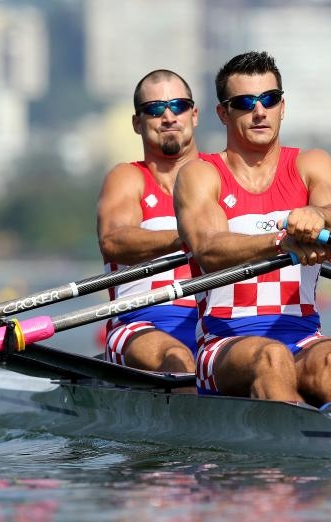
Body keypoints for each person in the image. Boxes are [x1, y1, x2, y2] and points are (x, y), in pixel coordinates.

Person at [174, 51, 331, 407]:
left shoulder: (312, 163)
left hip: (305, 338)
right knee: (271, 358)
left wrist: (318, 215)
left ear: (282, 107)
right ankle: (288, 456)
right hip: (223, 346)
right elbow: (210, 250)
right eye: (245, 102)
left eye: (269, 99)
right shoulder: (200, 174)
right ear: (223, 113)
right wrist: (281, 241)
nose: (260, 111)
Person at [97, 69, 207, 373]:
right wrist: (189, 237)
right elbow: (114, 240)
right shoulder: (127, 178)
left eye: (179, 106)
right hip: (140, 324)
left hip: (217, 322)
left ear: (194, 114)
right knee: (179, 358)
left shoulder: (221, 177)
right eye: (155, 109)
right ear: (137, 123)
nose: (169, 117)